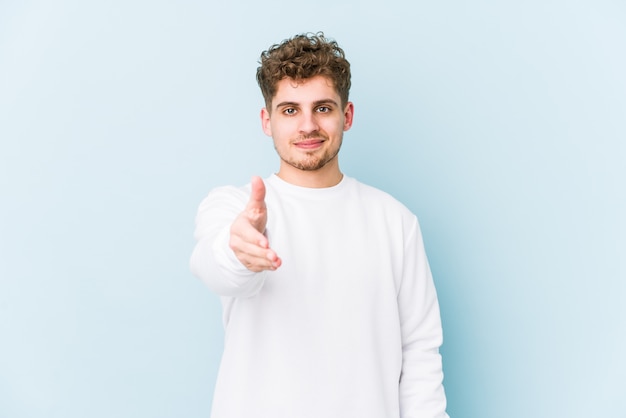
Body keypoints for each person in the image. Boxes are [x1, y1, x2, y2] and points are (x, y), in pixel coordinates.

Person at [190, 32, 449, 418]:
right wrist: (239, 252)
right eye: (290, 110)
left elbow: (420, 355)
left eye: (323, 108)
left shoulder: (395, 221)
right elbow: (217, 268)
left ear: (347, 115)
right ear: (267, 120)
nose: (307, 126)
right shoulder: (233, 208)